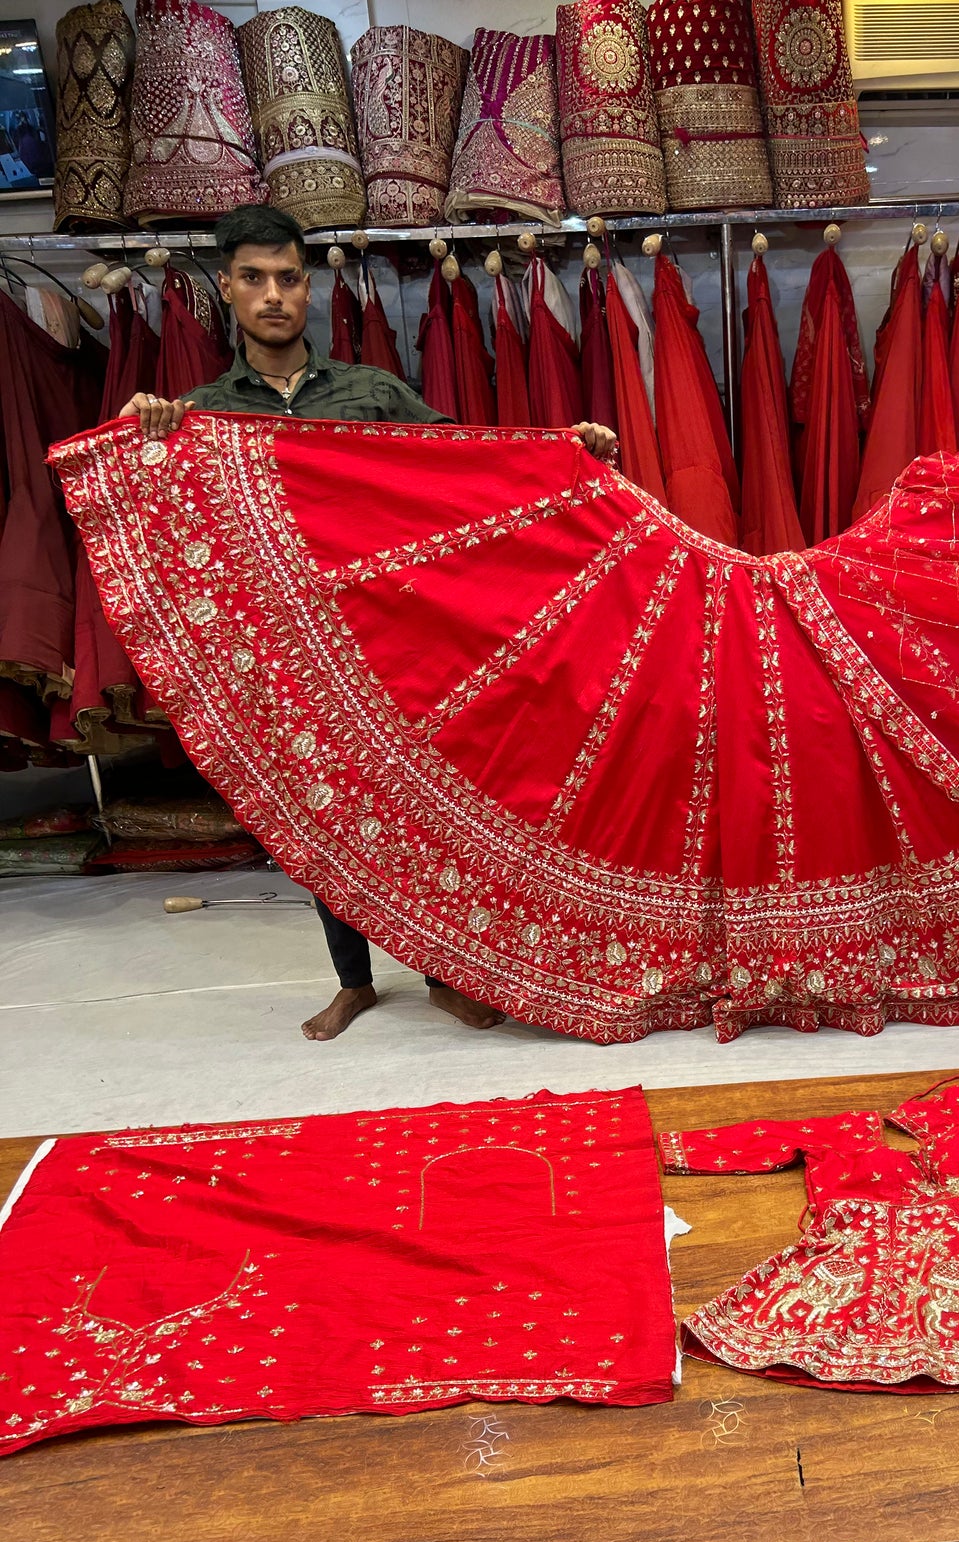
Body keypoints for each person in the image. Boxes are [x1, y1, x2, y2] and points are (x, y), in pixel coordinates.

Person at [119, 203, 618, 1041]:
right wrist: (149, 429)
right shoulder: (203, 413)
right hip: (282, 654)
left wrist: (563, 448)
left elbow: (464, 469)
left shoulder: (371, 391)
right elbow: (165, 514)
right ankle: (352, 981)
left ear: (306, 287)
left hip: (392, 645)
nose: (272, 295)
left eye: (286, 278)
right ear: (227, 292)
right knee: (320, 813)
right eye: (253, 279)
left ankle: (441, 972)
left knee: (418, 806)